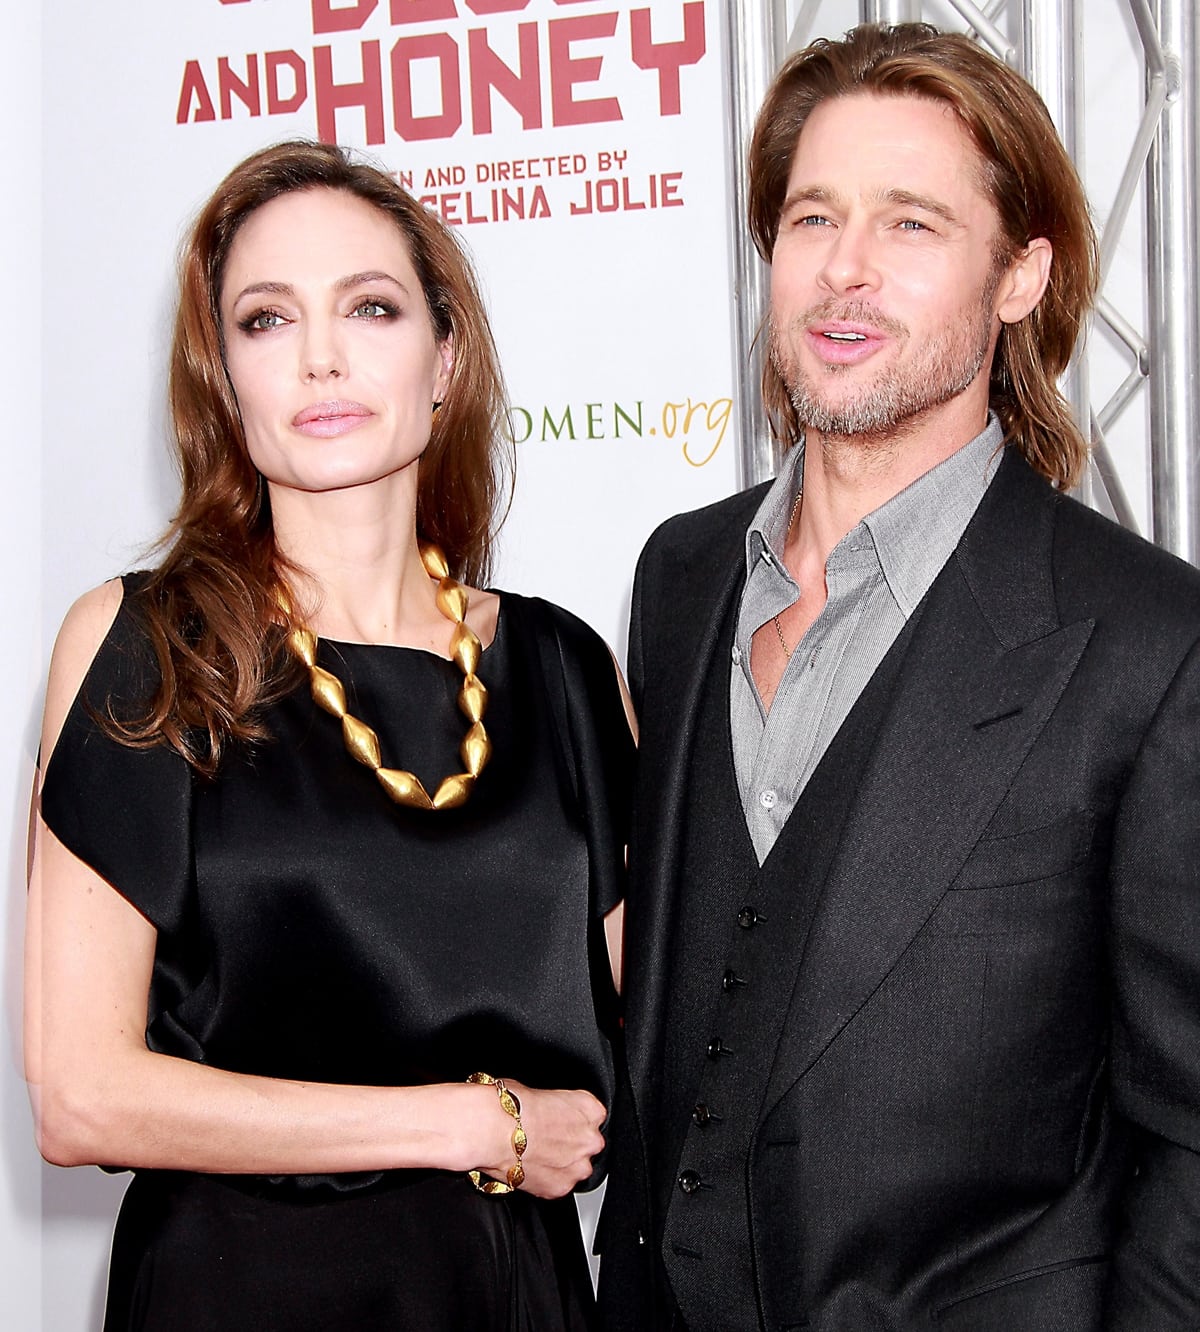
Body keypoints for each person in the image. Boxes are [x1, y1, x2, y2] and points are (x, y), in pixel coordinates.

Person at [597, 22, 1200, 1331]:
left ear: (1020, 277)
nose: (845, 271)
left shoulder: (1153, 644)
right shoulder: (679, 580)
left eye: (912, 225)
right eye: (814, 218)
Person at [26, 139, 634, 1331]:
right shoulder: (149, 647)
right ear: (223, 381)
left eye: (370, 305)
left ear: (444, 357)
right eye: (264, 319)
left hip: (507, 1297)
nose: (320, 356)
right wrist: (462, 1122)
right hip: (238, 1293)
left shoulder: (564, 671)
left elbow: (664, 1033)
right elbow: (80, 1097)